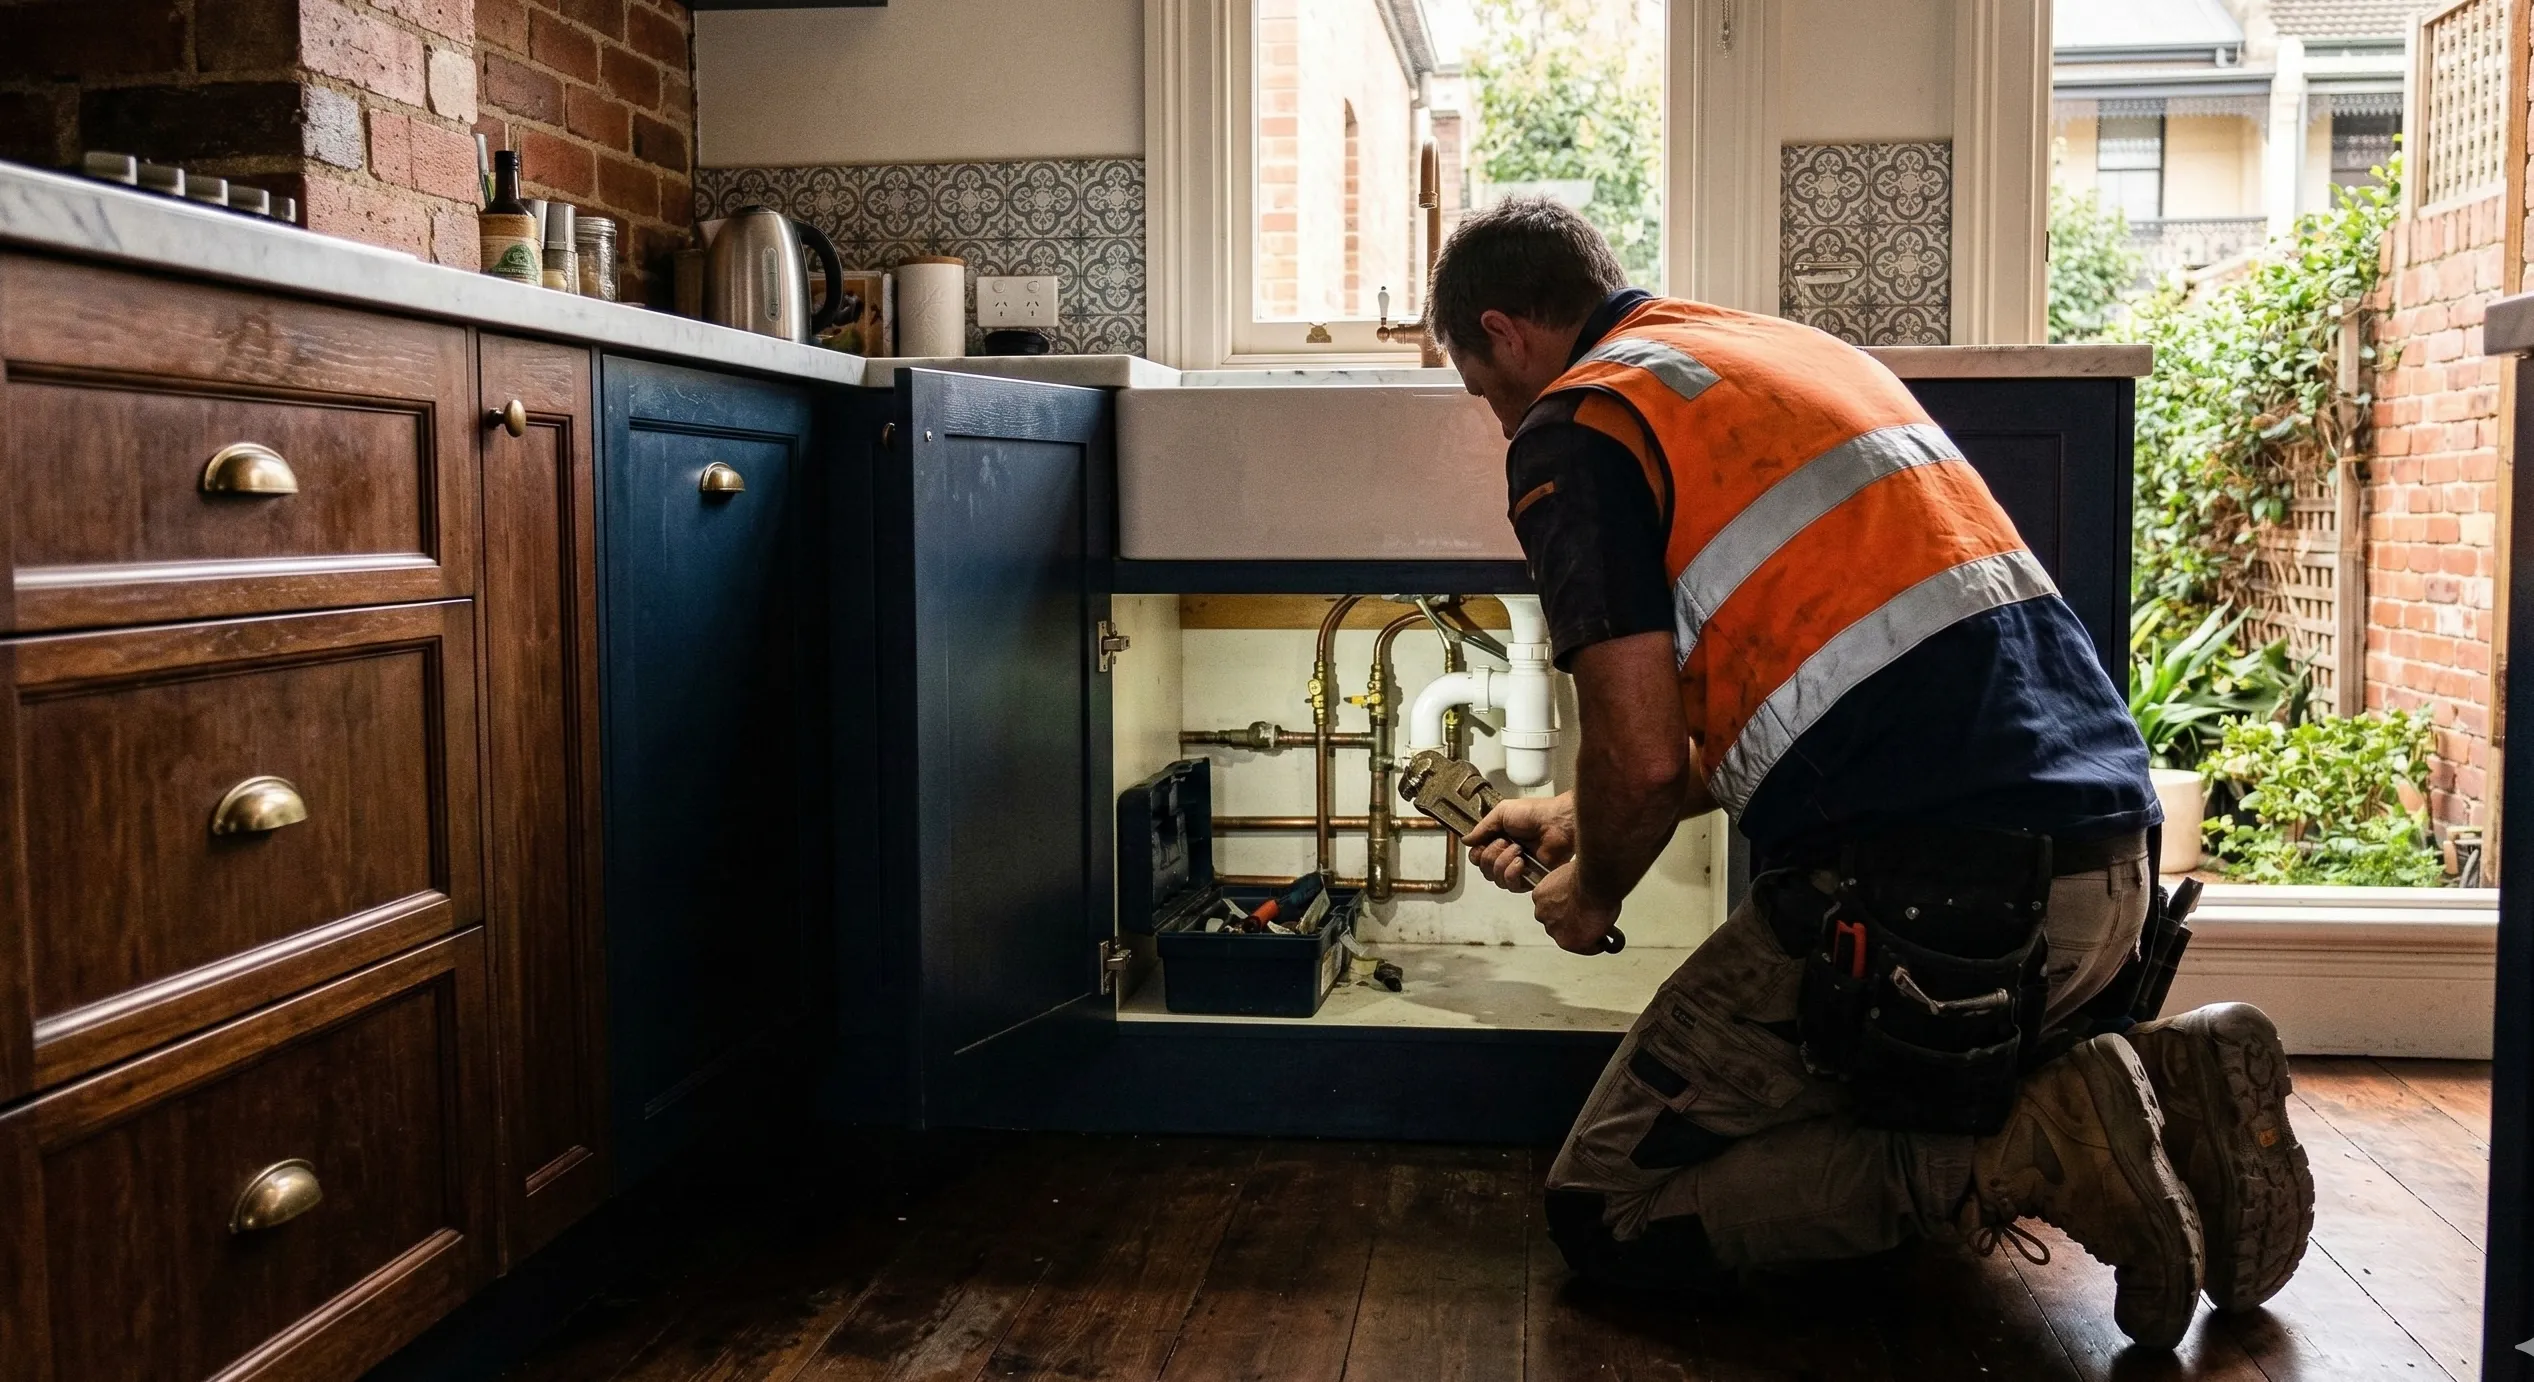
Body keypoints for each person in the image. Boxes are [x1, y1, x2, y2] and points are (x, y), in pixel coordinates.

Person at [1436, 198, 2313, 1350]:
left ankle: (2030, 1147)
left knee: (1609, 1205)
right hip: (2106, 883)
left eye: (1482, 391)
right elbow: (1813, 693)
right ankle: (2162, 1080)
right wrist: (1572, 808)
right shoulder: (1778, 355)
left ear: (1503, 331)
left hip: (1935, 912)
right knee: (1861, 1090)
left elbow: (1643, 761)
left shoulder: (1580, 422)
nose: (1503, 421)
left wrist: (1590, 887)